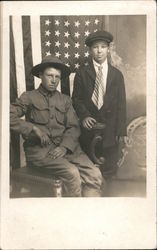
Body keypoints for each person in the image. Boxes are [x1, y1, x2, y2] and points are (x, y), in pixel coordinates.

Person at [10, 55, 102, 197]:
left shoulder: (65, 100)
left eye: (57, 77)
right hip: (41, 152)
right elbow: (6, 116)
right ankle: (69, 214)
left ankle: (87, 213)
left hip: (68, 149)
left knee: (95, 174)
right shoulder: (29, 97)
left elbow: (73, 127)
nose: (54, 80)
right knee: (72, 174)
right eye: (50, 75)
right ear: (40, 75)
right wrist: (32, 128)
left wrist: (64, 147)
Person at [72, 30, 127, 177]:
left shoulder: (117, 75)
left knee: (109, 169)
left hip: (110, 130)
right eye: (95, 47)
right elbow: (76, 99)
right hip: (89, 130)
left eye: (103, 46)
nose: (99, 50)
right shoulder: (82, 73)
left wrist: (121, 131)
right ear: (90, 50)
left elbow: (121, 104)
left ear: (108, 49)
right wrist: (84, 116)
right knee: (90, 171)